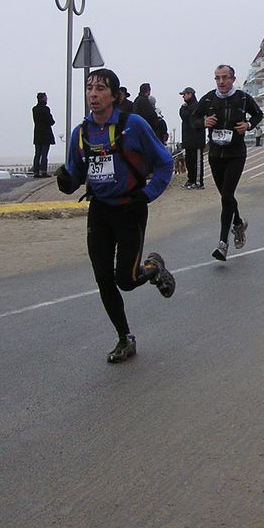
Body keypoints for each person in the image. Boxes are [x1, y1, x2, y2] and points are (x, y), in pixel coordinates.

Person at [54, 68, 175, 364]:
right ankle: (125, 338)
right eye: (89, 88)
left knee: (127, 279)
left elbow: (165, 163)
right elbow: (76, 174)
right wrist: (66, 181)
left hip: (130, 209)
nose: (93, 94)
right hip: (99, 211)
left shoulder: (133, 125)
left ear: (114, 95)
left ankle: (153, 267)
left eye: (100, 89)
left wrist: (146, 196)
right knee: (104, 280)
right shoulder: (81, 133)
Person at [190, 64, 264, 261]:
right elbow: (193, 119)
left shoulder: (242, 98)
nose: (221, 82)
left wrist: (248, 125)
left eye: (225, 78)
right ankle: (238, 223)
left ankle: (223, 243)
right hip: (215, 154)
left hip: (236, 154)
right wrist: (203, 123)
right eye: (217, 78)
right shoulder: (208, 98)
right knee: (226, 196)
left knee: (227, 195)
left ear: (232, 79)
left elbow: (258, 114)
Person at [178, 87, 204, 188]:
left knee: (197, 162)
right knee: (189, 161)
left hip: (196, 139)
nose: (183, 97)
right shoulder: (188, 107)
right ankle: (191, 180)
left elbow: (186, 116)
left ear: (190, 94)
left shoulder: (196, 106)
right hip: (188, 139)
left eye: (184, 94)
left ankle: (198, 182)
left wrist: (183, 108)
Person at [32, 92, 56, 178]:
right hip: (46, 133)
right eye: (46, 98)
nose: (47, 99)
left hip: (37, 133)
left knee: (37, 154)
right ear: (43, 98)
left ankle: (36, 172)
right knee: (44, 154)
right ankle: (43, 171)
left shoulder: (34, 109)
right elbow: (51, 121)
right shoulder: (46, 109)